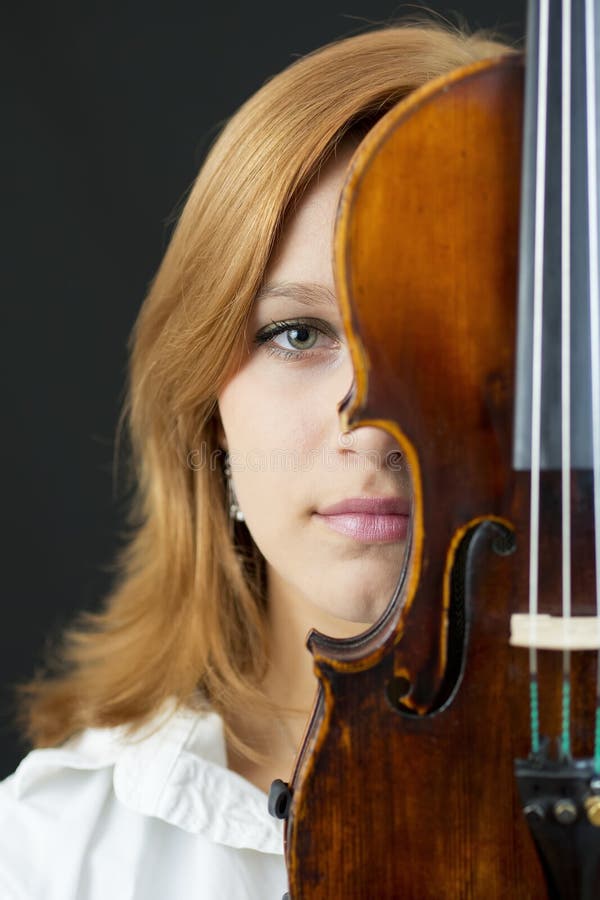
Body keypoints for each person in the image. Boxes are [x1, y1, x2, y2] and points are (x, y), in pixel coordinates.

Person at [0, 19, 514, 900]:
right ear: (208, 412)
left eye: (453, 335)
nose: (375, 422)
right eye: (298, 333)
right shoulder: (46, 857)